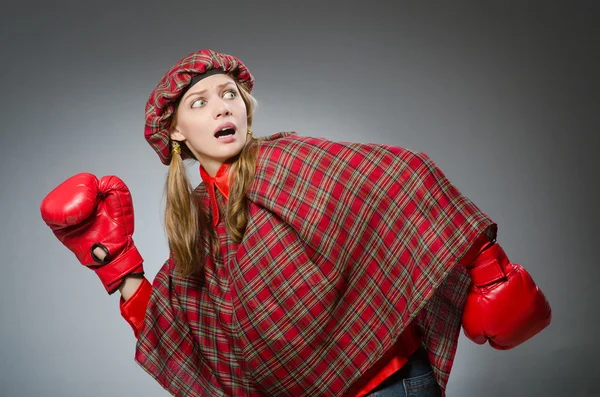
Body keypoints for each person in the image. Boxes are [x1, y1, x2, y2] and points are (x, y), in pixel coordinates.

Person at [40, 49, 552, 397]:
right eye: (200, 102)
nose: (222, 107)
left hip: (389, 385)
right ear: (175, 131)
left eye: (229, 95)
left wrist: (489, 266)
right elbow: (185, 331)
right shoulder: (197, 215)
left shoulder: (290, 161)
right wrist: (117, 265)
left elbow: (402, 177)